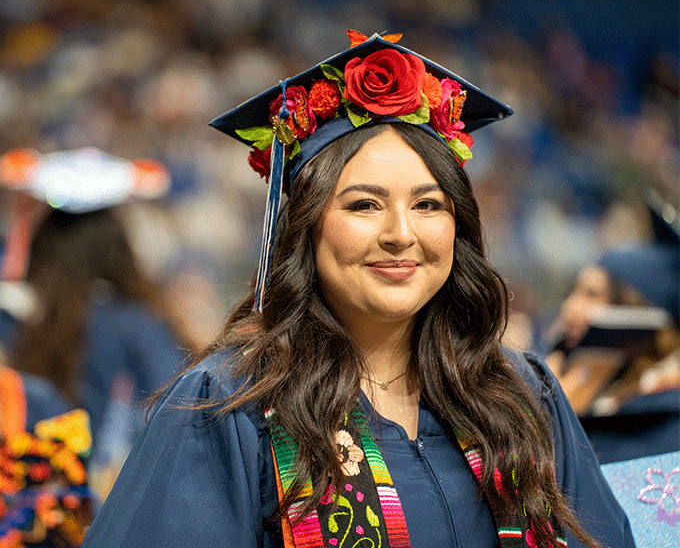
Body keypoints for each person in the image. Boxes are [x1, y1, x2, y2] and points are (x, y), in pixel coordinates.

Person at [82, 32, 634, 548]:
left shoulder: (520, 398)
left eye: (427, 205)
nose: (400, 234)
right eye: (363, 204)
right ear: (305, 227)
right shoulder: (232, 408)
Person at [0, 147, 192, 501]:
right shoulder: (140, 326)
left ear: (45, 247)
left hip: (31, 513)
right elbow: (179, 426)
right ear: (119, 248)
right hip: (114, 510)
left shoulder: (15, 324)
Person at [544, 199, 679, 463]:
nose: (569, 308)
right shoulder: (589, 397)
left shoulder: (662, 423)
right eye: (574, 291)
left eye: (592, 295)